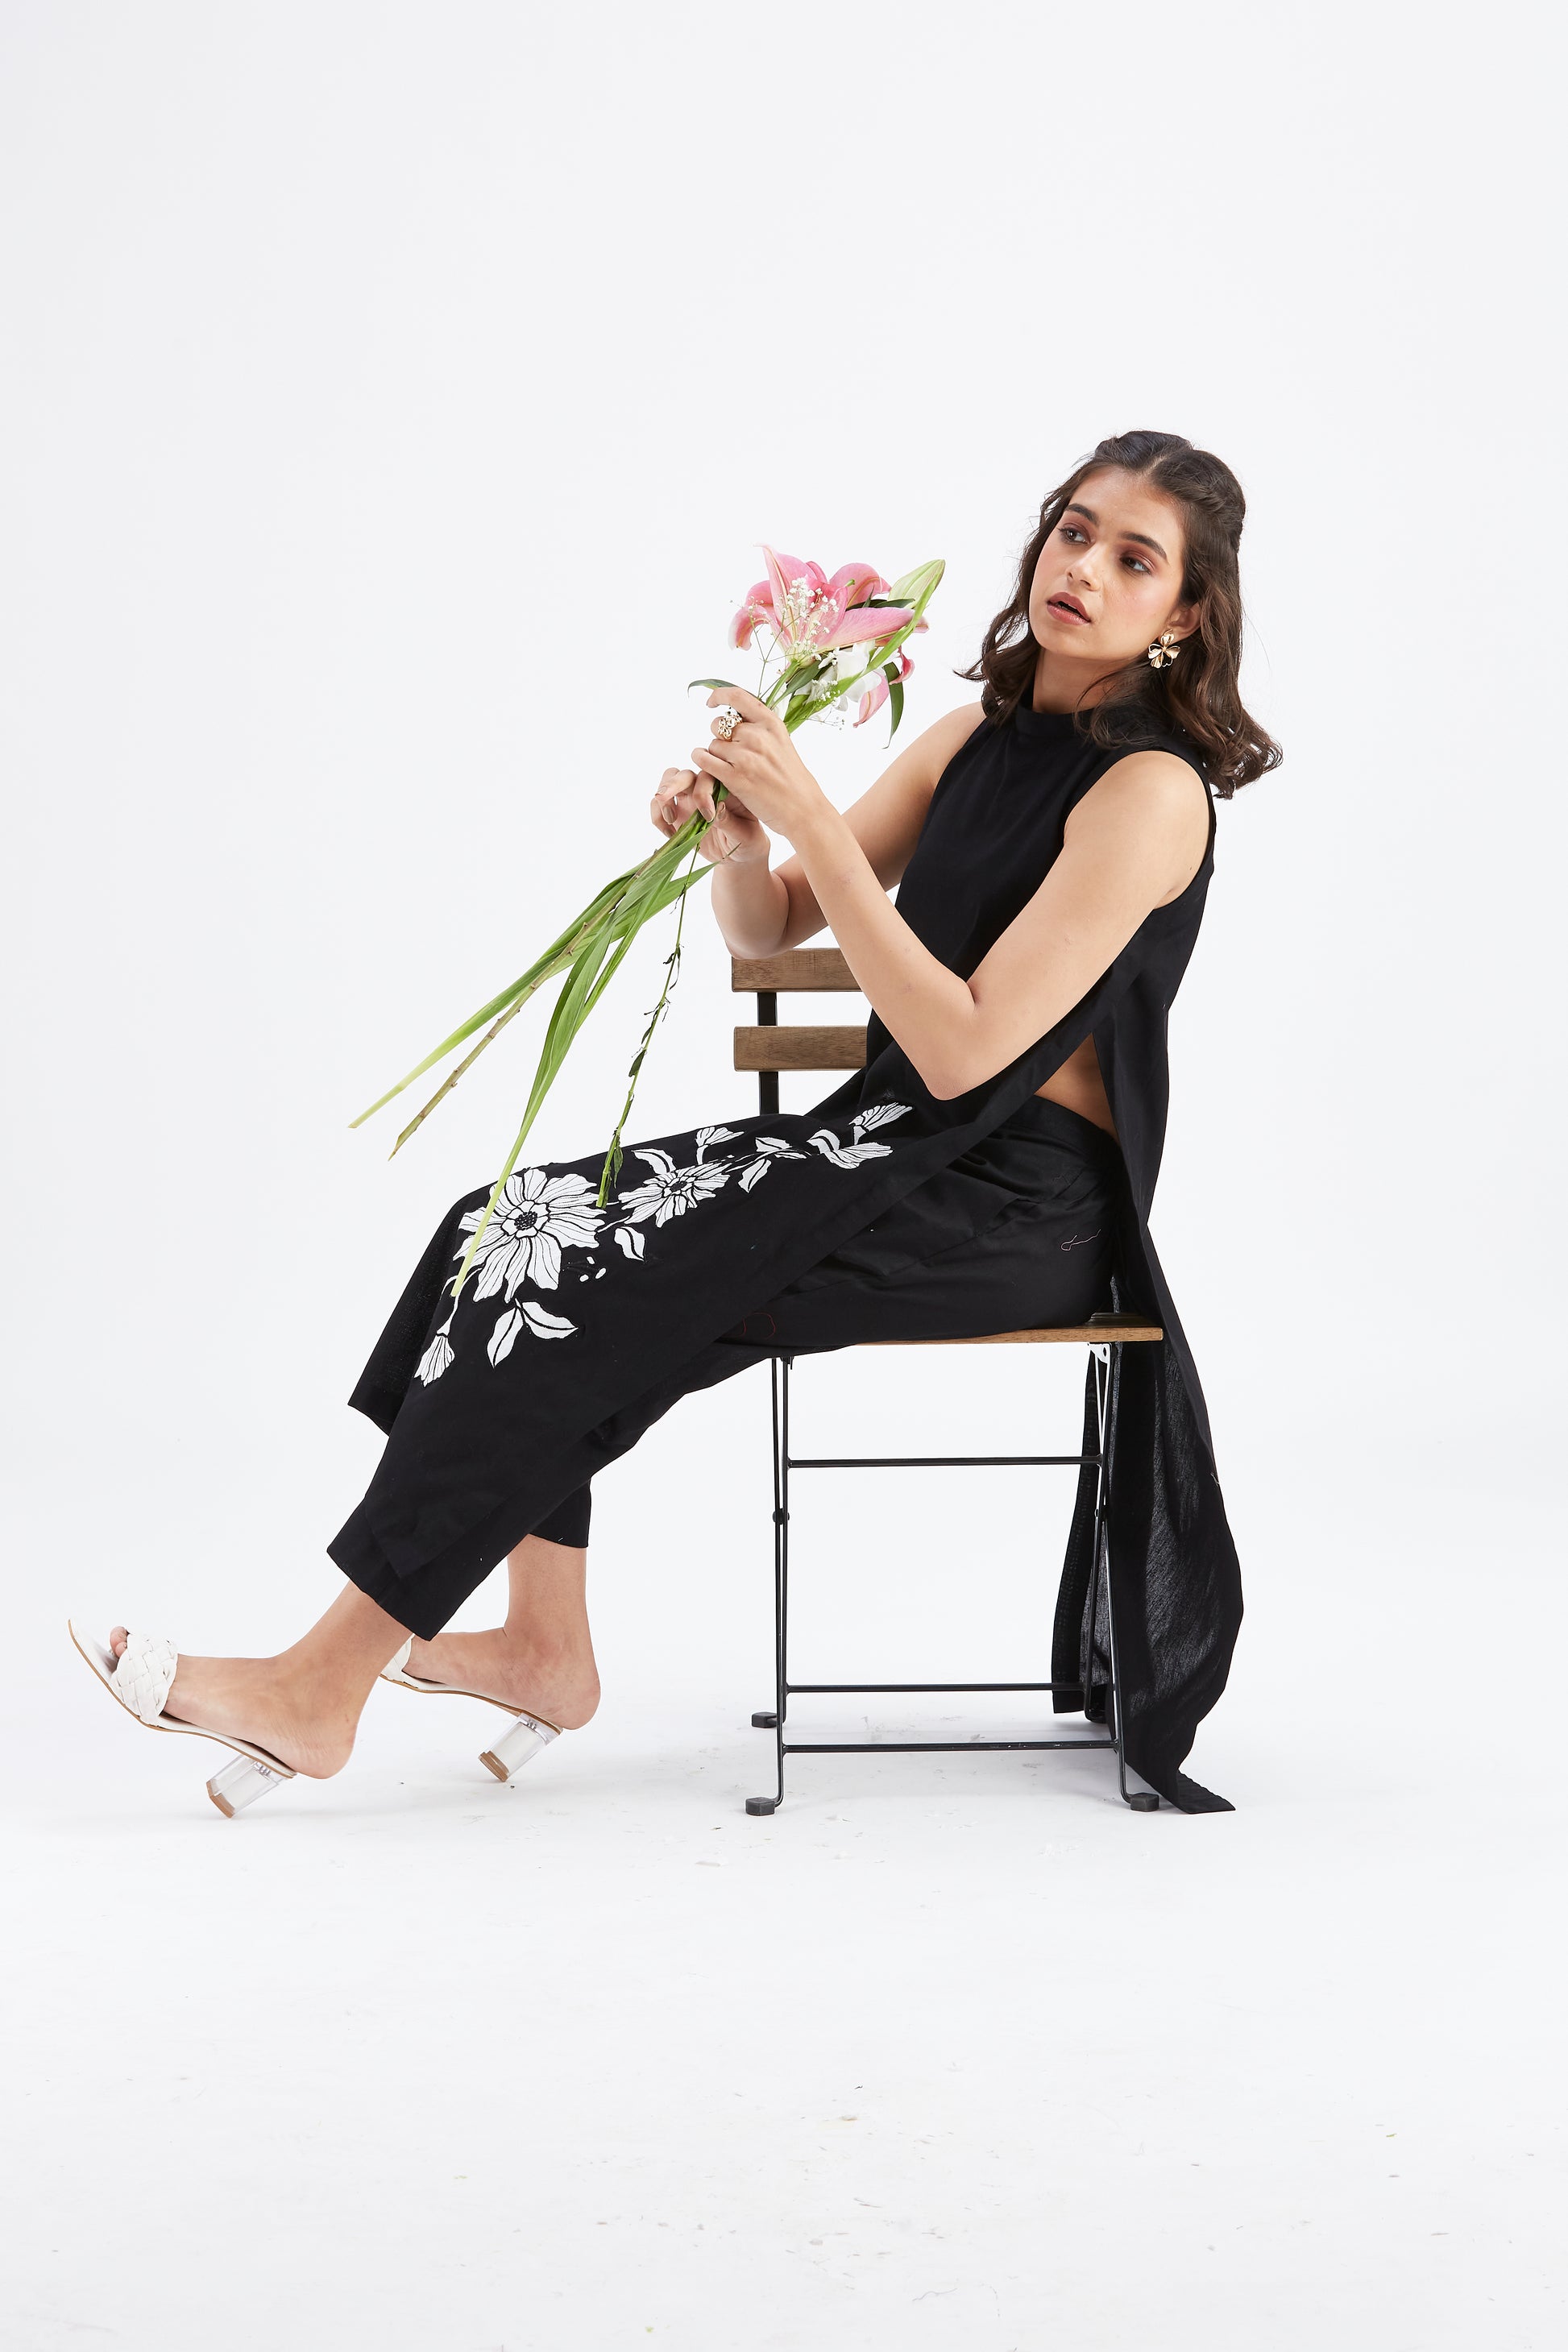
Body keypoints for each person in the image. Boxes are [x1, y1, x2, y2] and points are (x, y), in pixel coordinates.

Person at [73, 429, 1280, 1815]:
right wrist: (742, 844)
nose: (1085, 570)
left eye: (1134, 560)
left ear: (1185, 614)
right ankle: (539, 1646)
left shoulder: (1150, 793)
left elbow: (959, 1053)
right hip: (877, 1152)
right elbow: (771, 932)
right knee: (511, 1229)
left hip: (1015, 1210)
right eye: (1073, 532)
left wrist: (812, 817)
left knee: (590, 1280)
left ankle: (319, 1688)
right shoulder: (971, 740)